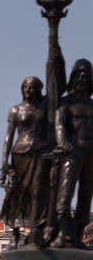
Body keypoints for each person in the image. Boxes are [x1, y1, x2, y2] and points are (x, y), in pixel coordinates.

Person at [0, 76, 51, 248]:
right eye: (27, 87)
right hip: (20, 153)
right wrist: (5, 161)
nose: (30, 90)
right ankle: (15, 234)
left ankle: (37, 229)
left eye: (33, 87)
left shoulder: (44, 107)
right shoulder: (16, 110)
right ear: (22, 90)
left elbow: (55, 83)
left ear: (40, 89)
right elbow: (9, 137)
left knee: (38, 191)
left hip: (41, 152)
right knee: (18, 194)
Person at [52, 59, 93, 247]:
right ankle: (62, 233)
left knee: (86, 195)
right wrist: (63, 143)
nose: (82, 78)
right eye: (78, 74)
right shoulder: (66, 103)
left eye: (86, 74)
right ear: (72, 77)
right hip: (73, 152)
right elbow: (59, 125)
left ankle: (77, 236)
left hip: (90, 153)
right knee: (65, 194)